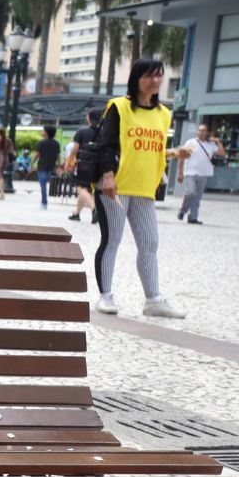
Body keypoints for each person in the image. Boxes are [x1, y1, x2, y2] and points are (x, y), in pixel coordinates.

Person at [94, 57, 191, 319]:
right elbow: (106, 144)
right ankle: (106, 295)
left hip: (145, 189)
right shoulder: (120, 107)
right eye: (149, 75)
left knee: (149, 244)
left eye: (159, 75)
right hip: (116, 186)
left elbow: (150, 148)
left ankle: (153, 299)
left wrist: (173, 153)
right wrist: (107, 176)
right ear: (136, 79)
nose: (156, 80)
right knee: (112, 240)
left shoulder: (164, 114)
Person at [178, 122, 226, 225]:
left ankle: (193, 218)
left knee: (197, 197)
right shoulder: (190, 142)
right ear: (197, 132)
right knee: (191, 192)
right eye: (199, 130)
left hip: (204, 174)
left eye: (203, 130)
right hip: (190, 172)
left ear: (207, 132)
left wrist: (218, 141)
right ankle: (183, 210)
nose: (201, 132)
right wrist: (180, 173)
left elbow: (222, 153)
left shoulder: (211, 145)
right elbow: (181, 158)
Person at [66, 109, 100, 223]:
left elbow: (75, 149)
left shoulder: (82, 132)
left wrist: (69, 163)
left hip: (84, 165)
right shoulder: (103, 133)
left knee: (80, 188)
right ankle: (76, 214)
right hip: (99, 165)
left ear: (89, 118)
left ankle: (94, 209)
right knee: (88, 189)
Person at [35, 125, 61, 210]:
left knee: (43, 186)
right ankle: (44, 201)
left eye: (43, 131)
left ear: (46, 133)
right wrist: (59, 166)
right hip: (51, 167)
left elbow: (37, 155)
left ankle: (44, 202)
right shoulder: (56, 143)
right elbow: (58, 156)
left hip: (42, 167)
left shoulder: (41, 143)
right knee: (46, 184)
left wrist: (32, 163)